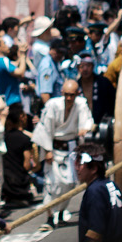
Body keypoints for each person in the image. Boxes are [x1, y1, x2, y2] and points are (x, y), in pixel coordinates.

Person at [33, 77, 97, 224]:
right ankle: (49, 217)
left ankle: (61, 213)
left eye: (72, 95)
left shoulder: (81, 104)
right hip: (54, 148)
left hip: (71, 149)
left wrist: (84, 128)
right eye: (66, 94)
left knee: (69, 184)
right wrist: (47, 149)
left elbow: (87, 121)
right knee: (52, 184)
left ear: (77, 93)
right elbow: (45, 128)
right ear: (62, 92)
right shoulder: (52, 105)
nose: (69, 98)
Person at [73, 141, 122, 242]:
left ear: (94, 168)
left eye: (80, 164)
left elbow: (96, 230)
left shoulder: (94, 191)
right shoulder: (110, 185)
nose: (77, 168)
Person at [0, 104, 38, 208]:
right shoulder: (24, 139)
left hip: (7, 186)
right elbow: (27, 166)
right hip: (20, 187)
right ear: (21, 117)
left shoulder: (4, 138)